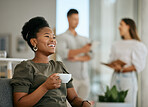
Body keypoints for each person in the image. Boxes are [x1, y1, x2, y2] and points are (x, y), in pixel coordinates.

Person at [10, 17, 91, 107]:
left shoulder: (59, 66)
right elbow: (19, 104)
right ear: (34, 42)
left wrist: (84, 103)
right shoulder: (26, 67)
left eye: (54, 37)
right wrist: (45, 87)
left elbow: (74, 99)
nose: (53, 40)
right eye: (47, 36)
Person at [109, 18, 147, 107]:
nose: (119, 27)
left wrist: (122, 69)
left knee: (128, 104)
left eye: (121, 24)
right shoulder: (116, 44)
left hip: (128, 78)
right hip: (115, 76)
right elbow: (111, 60)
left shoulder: (138, 45)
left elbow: (139, 66)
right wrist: (114, 65)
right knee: (113, 104)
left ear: (128, 26)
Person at [56, 9, 93, 99]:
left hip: (85, 78)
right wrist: (83, 50)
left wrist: (77, 58)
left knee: (84, 102)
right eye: (74, 19)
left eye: (78, 19)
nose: (77, 22)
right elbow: (64, 53)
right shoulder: (61, 37)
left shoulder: (84, 39)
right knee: (70, 103)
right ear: (68, 19)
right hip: (71, 79)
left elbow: (90, 56)